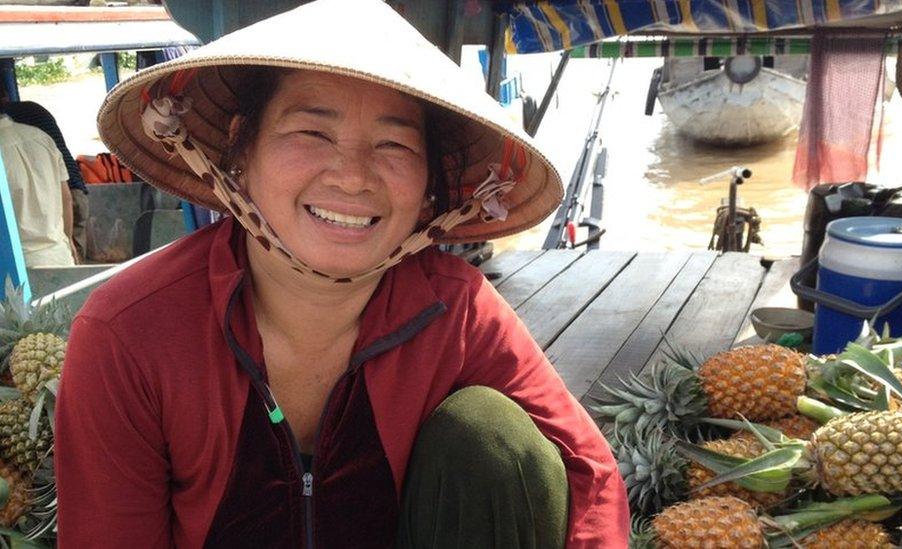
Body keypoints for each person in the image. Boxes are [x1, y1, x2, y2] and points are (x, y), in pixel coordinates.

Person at [56, 1, 628, 547]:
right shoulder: (130, 331)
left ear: (429, 182)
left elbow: (589, 473)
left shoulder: (455, 307)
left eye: (394, 143)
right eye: (312, 132)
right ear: (239, 147)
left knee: (491, 435)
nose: (353, 178)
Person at [1, 93, 89, 260]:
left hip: (20, 264)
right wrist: (67, 239)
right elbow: (66, 198)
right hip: (58, 252)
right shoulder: (40, 133)